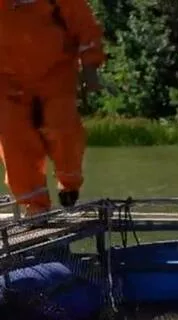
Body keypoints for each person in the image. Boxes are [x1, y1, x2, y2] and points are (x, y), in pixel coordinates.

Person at [0, 0, 106, 217]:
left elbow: (84, 26)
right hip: (7, 83)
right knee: (14, 142)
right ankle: (35, 206)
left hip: (56, 77)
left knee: (62, 130)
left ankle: (69, 185)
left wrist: (90, 67)